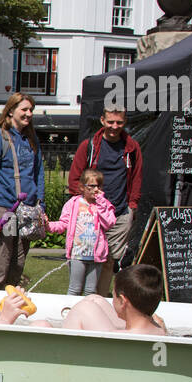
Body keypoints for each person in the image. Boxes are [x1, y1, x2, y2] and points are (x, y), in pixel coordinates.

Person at [68, 108, 142, 296]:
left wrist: (132, 206)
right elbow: (75, 178)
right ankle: (76, 299)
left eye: (119, 123)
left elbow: (137, 177)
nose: (114, 127)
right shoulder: (89, 146)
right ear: (102, 120)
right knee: (84, 258)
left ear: (124, 122)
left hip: (119, 212)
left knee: (108, 260)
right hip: (91, 215)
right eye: (110, 122)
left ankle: (97, 300)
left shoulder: (131, 147)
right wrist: (83, 204)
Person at [0, 93, 46, 289]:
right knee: (0, 266)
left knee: (17, 266)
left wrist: (41, 205)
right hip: (5, 211)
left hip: (27, 211)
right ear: (10, 111)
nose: (29, 114)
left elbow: (38, 174)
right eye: (24, 109)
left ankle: (9, 312)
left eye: (31, 110)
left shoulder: (31, 139)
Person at [46, 168, 116, 296]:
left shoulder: (104, 204)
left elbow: (109, 223)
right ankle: (71, 314)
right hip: (77, 254)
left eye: (99, 186)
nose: (96, 189)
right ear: (82, 187)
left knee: (90, 291)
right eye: (92, 186)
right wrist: (48, 226)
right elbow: (63, 224)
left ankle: (87, 315)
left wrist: (101, 203)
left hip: (96, 256)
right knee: (74, 289)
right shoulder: (73, 204)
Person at [60, 264, 166, 335]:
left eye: (114, 295)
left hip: (111, 350)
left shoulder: (118, 337)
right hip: (140, 328)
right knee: (95, 299)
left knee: (83, 308)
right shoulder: (160, 330)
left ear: (122, 301)